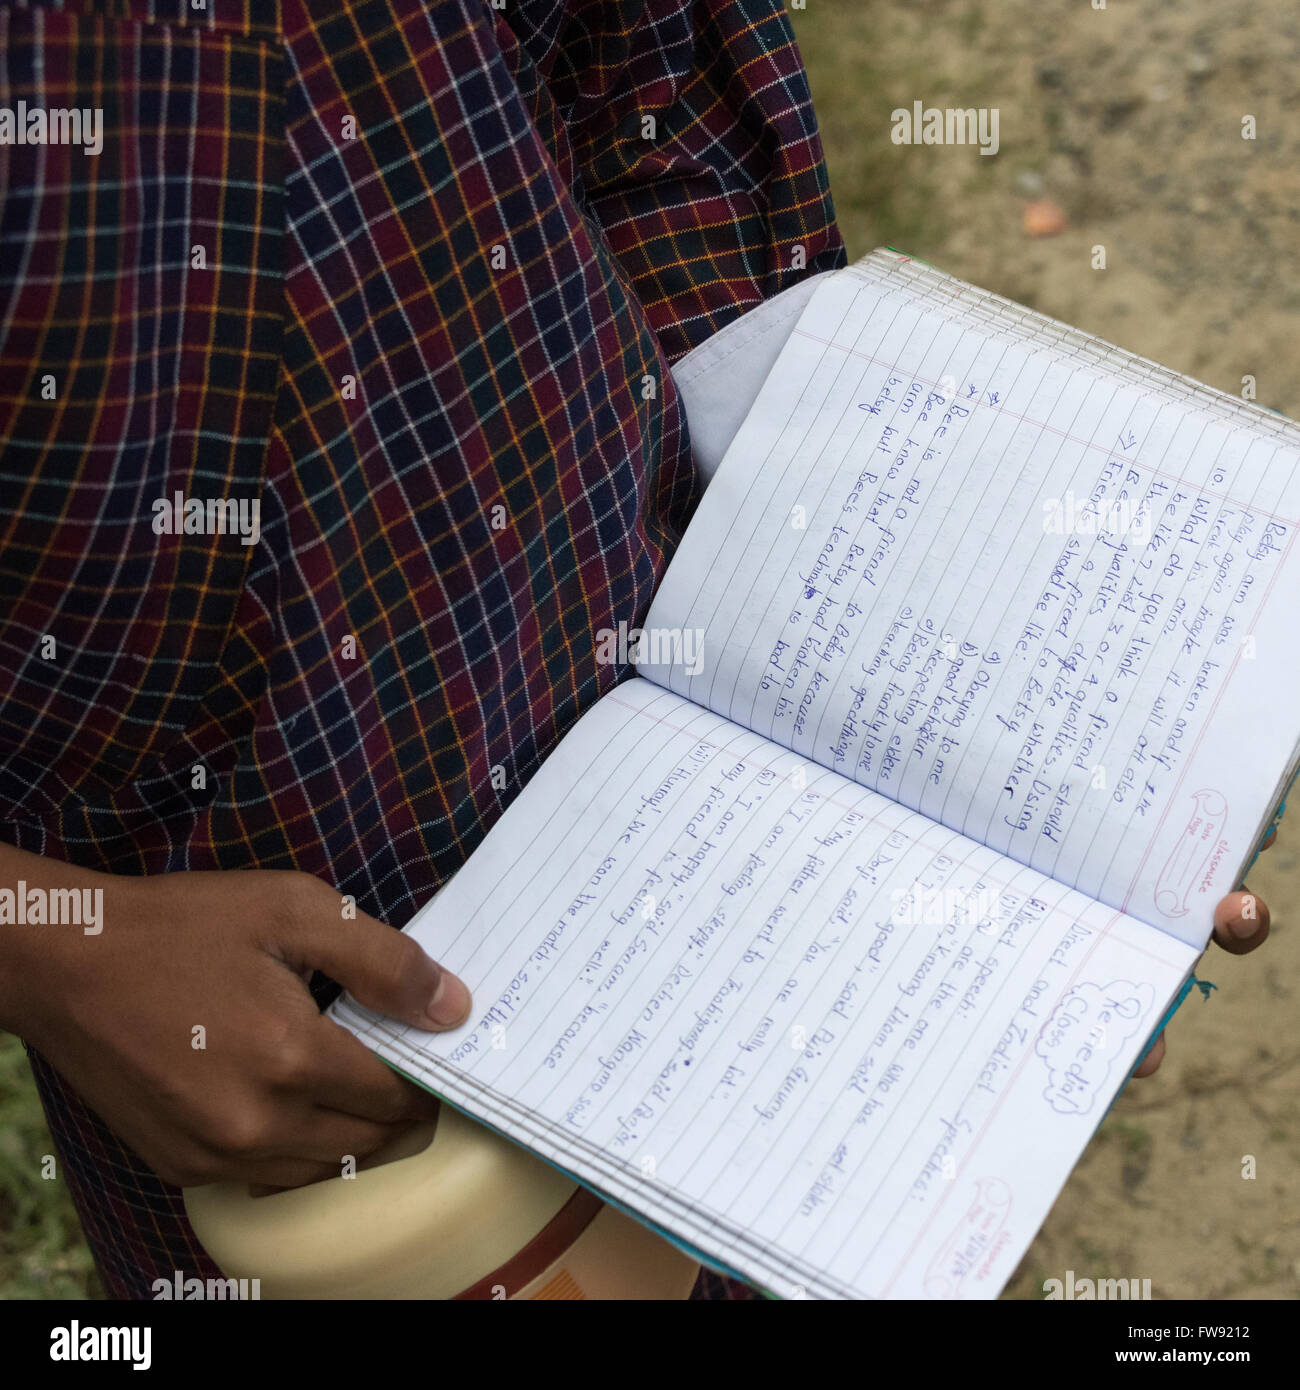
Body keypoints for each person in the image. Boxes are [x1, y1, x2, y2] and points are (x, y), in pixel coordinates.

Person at [0, 0, 1272, 1302]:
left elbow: (651, 106)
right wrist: (54, 945)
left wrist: (1038, 835)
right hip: (242, 931)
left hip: (689, 728)